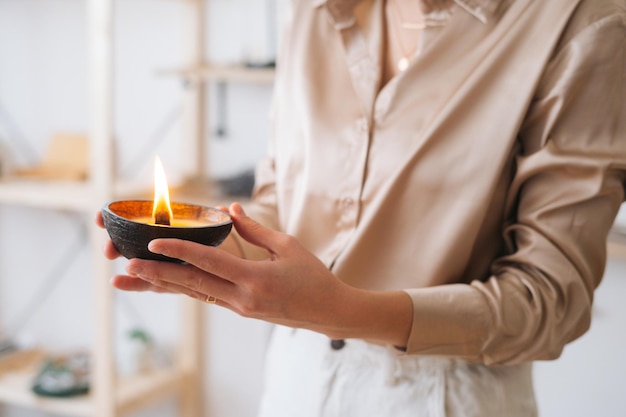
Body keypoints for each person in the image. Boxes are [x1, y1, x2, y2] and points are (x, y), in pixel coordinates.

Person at [97, 0, 626, 415]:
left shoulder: (582, 22)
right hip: (293, 383)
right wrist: (209, 242)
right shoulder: (312, 10)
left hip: (443, 396)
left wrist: (337, 311)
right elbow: (278, 204)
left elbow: (550, 303)